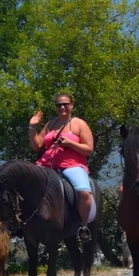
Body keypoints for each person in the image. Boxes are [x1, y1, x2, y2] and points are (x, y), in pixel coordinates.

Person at [30, 92, 96, 241]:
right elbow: (37, 145)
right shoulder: (51, 124)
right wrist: (32, 128)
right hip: (46, 165)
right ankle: (23, 223)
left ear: (71, 105)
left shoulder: (79, 123)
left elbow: (89, 149)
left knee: (84, 193)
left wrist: (70, 143)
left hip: (72, 165)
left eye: (65, 104)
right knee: (24, 186)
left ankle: (83, 226)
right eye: (59, 105)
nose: (62, 107)